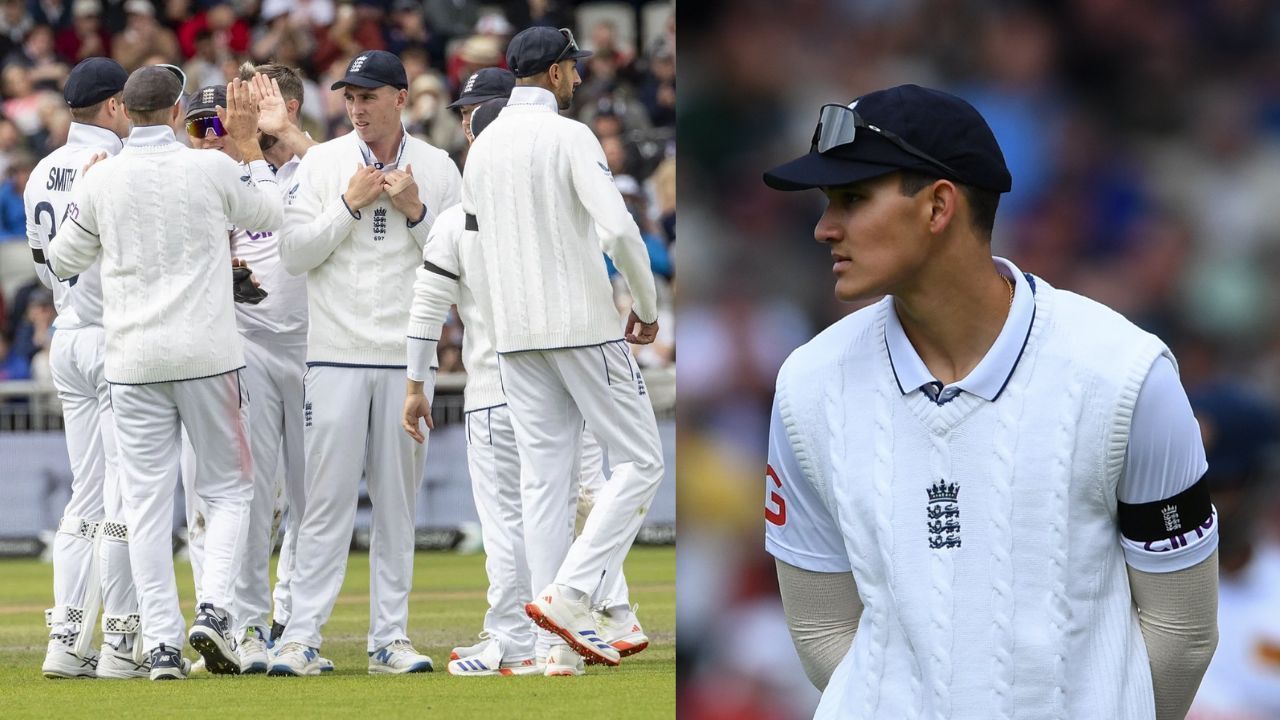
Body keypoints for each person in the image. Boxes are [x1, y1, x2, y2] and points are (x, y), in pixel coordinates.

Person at [760, 84, 1219, 720]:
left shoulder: (1125, 375)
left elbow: (1182, 634)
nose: (824, 227)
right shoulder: (807, 384)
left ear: (938, 206)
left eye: (853, 199)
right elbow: (818, 630)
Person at [46, 66, 282, 680]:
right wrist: (251, 149)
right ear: (177, 113)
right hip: (207, 356)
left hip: (133, 362)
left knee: (146, 506)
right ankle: (213, 610)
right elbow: (271, 212)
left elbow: (64, 258)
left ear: (125, 110)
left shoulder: (105, 178)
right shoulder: (209, 166)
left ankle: (161, 647)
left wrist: (90, 198)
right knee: (229, 489)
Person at [461, 26, 664, 668]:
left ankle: (556, 649)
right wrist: (648, 308)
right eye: (574, 70)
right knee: (643, 461)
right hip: (581, 326)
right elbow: (621, 231)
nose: (578, 79)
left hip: (514, 338)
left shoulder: (484, 147)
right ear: (554, 73)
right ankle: (573, 597)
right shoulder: (570, 135)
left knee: (545, 485)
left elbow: (478, 252)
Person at [272, 49, 461, 677]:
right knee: (323, 506)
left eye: (369, 96)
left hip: (408, 361)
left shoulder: (436, 168)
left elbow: (460, 266)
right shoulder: (323, 163)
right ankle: (300, 639)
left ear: (400, 99)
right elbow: (294, 254)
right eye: (349, 97)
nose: (356, 107)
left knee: (397, 506)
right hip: (333, 356)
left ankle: (390, 640)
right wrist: (348, 207)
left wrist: (417, 215)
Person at [26, 56, 143, 679]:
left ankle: (66, 638)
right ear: (115, 106)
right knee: (126, 496)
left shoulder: (41, 170)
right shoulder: (118, 166)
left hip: (67, 333)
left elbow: (47, 267)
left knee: (84, 495)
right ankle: (121, 644)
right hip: (116, 338)